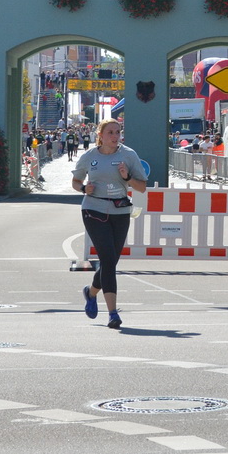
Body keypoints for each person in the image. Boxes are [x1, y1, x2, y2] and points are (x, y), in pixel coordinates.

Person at [71, 119, 148, 330]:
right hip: (93, 210)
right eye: (111, 132)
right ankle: (113, 313)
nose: (115, 136)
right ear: (101, 135)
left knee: (111, 261)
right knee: (106, 258)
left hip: (120, 211)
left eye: (118, 132)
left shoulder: (128, 155)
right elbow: (76, 182)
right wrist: (83, 188)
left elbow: (141, 187)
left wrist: (127, 177)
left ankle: (91, 292)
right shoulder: (89, 157)